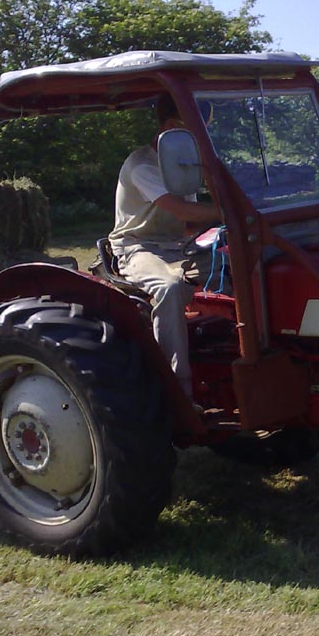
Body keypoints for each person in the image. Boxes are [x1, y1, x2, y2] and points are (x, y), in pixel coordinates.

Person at [109, 93, 218, 405]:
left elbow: (190, 225)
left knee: (247, 266)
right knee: (169, 289)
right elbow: (182, 211)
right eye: (198, 133)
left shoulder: (184, 163)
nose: (204, 142)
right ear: (172, 127)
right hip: (138, 247)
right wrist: (229, 211)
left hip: (178, 246)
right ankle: (177, 394)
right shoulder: (143, 165)